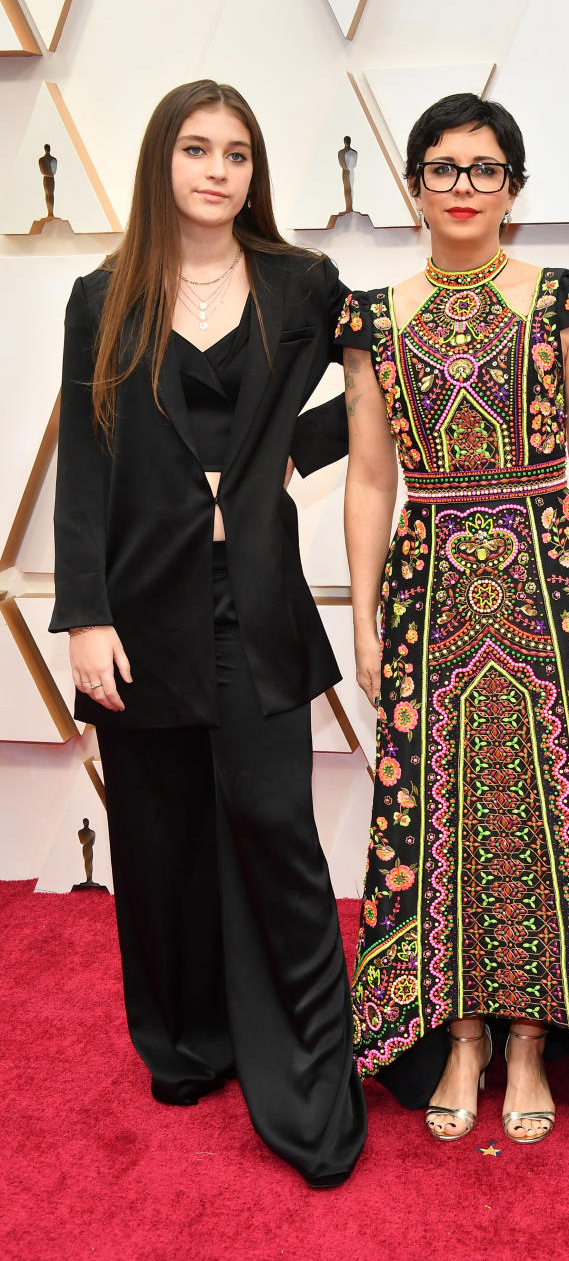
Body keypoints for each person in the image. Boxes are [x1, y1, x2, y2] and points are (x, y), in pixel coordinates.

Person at [340, 93, 569, 1146]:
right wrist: (362, 621)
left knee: (562, 808)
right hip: (430, 582)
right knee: (440, 810)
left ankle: (534, 1033)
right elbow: (366, 480)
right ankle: (460, 1033)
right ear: (414, 183)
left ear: (515, 189)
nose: (462, 188)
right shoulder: (374, 314)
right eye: (442, 168)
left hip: (553, 576)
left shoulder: (562, 296)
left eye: (484, 169)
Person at [50, 79, 366, 1186]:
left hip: (257, 596)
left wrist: (294, 447)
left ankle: (313, 1073)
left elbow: (390, 387)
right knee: (160, 833)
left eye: (237, 152)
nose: (218, 169)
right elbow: (84, 462)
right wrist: (82, 613)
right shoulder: (105, 295)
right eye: (197, 149)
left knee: (275, 824)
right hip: (138, 605)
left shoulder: (302, 282)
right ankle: (186, 1045)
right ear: (162, 163)